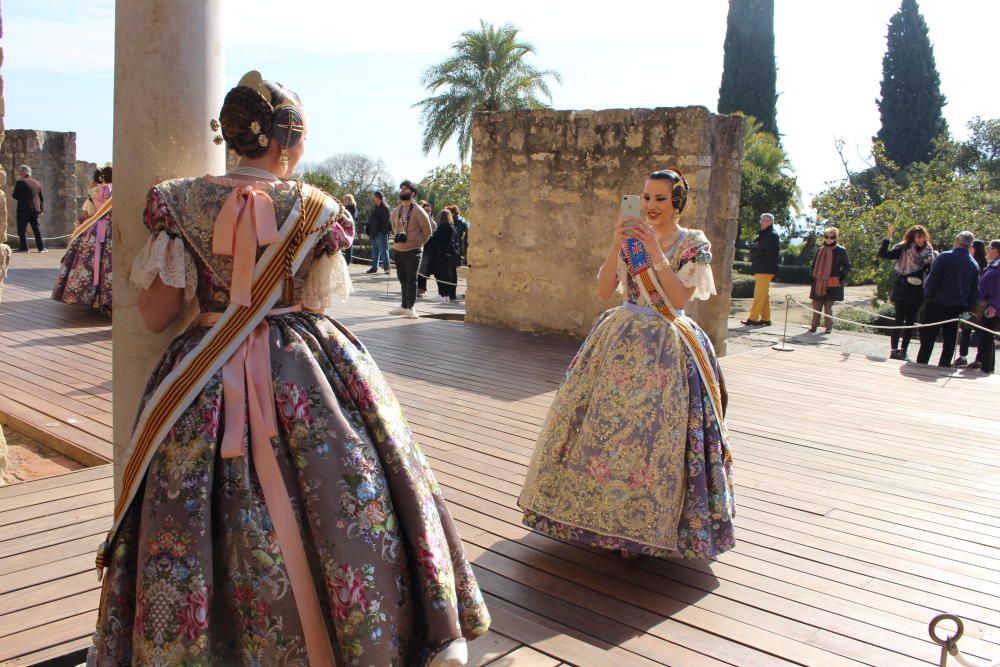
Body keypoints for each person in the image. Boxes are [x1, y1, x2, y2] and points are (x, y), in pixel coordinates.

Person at [87, 72, 488, 667]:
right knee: (350, 489)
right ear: (289, 143)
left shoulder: (175, 202)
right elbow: (319, 301)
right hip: (305, 370)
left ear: (230, 133)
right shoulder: (319, 210)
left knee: (186, 505)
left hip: (203, 371)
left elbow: (156, 316)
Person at [518, 169, 735, 561]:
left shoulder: (693, 243)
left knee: (656, 435)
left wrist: (655, 253)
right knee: (607, 430)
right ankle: (603, 521)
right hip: (620, 338)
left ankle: (652, 527)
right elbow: (604, 290)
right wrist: (616, 243)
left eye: (660, 199)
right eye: (646, 198)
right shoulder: (629, 240)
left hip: (670, 343)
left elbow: (680, 300)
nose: (651, 206)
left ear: (677, 203)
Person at [52, 165, 113, 315]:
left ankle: (87, 294)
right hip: (111, 229)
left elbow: (90, 212)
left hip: (94, 229)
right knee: (107, 264)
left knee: (88, 262)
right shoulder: (116, 190)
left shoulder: (96, 190)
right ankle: (107, 298)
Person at [916, 231, 981, 367]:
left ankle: (921, 365)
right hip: (957, 308)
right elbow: (974, 292)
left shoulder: (944, 257)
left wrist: (927, 297)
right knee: (950, 342)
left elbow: (932, 280)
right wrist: (967, 309)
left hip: (936, 303)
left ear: (957, 240)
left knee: (927, 339)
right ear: (970, 245)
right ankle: (944, 367)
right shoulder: (974, 264)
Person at [878, 224, 936, 360]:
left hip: (917, 288)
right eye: (918, 237)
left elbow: (930, 270)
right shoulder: (903, 247)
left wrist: (928, 264)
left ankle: (904, 350)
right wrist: (888, 238)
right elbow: (884, 254)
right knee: (898, 319)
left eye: (923, 237)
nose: (921, 240)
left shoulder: (929, 251)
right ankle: (894, 349)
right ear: (913, 237)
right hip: (903, 286)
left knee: (910, 321)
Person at [389, 180, 432, 318]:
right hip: (398, 249)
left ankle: (411, 307)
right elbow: (394, 227)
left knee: (411, 279)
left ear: (413, 193)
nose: (402, 190)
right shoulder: (396, 211)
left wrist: (418, 244)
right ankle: (403, 306)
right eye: (401, 188)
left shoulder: (418, 211)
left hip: (414, 250)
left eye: (406, 189)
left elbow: (428, 231)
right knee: (402, 279)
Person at [806, 227, 851, 334]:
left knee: (828, 307)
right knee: (816, 306)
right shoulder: (819, 250)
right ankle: (814, 326)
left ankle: (828, 327)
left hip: (832, 282)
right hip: (818, 282)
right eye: (827, 236)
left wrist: (840, 276)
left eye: (832, 237)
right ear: (824, 237)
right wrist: (813, 276)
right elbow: (813, 265)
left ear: (836, 237)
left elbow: (847, 266)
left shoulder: (841, 250)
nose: (829, 239)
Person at [741, 212, 779, 326]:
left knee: (758, 295)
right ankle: (766, 318)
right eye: (761, 219)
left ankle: (753, 318)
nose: (762, 222)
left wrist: (756, 249)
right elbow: (757, 248)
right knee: (764, 295)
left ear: (771, 222)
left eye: (765, 220)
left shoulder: (771, 234)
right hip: (762, 267)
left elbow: (762, 250)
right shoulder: (765, 234)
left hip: (765, 268)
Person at [954, 239, 988, 367]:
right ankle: (963, 356)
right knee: (965, 328)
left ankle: (978, 359)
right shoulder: (970, 262)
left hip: (977, 305)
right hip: (969, 304)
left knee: (976, 330)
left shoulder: (982, 265)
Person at [975, 240, 1000, 374]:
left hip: (992, 307)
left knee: (987, 337)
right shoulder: (993, 265)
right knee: (985, 337)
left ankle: (987, 367)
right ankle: (986, 366)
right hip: (985, 304)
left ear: (996, 249)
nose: (987, 250)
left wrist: (994, 307)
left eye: (989, 248)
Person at [425, 209, 460, 302]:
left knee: (441, 275)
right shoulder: (452, 227)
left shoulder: (443, 227)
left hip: (441, 256)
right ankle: (447, 294)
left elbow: (437, 241)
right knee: (448, 276)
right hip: (449, 256)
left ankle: (443, 294)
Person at [11, 164, 45, 253]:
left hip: (23, 209)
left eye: (20, 171)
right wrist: (41, 209)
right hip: (36, 210)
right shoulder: (37, 183)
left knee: (21, 229)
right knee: (36, 229)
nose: (19, 173)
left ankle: (24, 248)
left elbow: (15, 195)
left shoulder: (20, 182)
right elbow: (41, 198)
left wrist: (22, 198)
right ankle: (41, 248)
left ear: (24, 172)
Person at [365, 190, 392, 274]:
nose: (373, 198)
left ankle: (387, 268)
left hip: (381, 234)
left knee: (384, 251)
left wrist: (382, 232)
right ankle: (374, 267)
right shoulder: (377, 207)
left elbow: (386, 222)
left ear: (378, 197)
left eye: (374, 196)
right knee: (375, 252)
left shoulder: (385, 208)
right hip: (374, 233)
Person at [416, 200, 437, 297]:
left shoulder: (433, 223)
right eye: (426, 210)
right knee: (416, 269)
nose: (428, 212)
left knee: (423, 270)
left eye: (429, 211)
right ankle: (417, 288)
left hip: (428, 249)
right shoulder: (417, 221)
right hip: (417, 246)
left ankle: (422, 289)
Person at [342, 193, 358, 267]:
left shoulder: (353, 209)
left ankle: (347, 263)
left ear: (349, 200)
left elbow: (352, 219)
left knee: (349, 247)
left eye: (345, 200)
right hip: (343, 229)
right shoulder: (344, 208)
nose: (344, 201)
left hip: (349, 230)